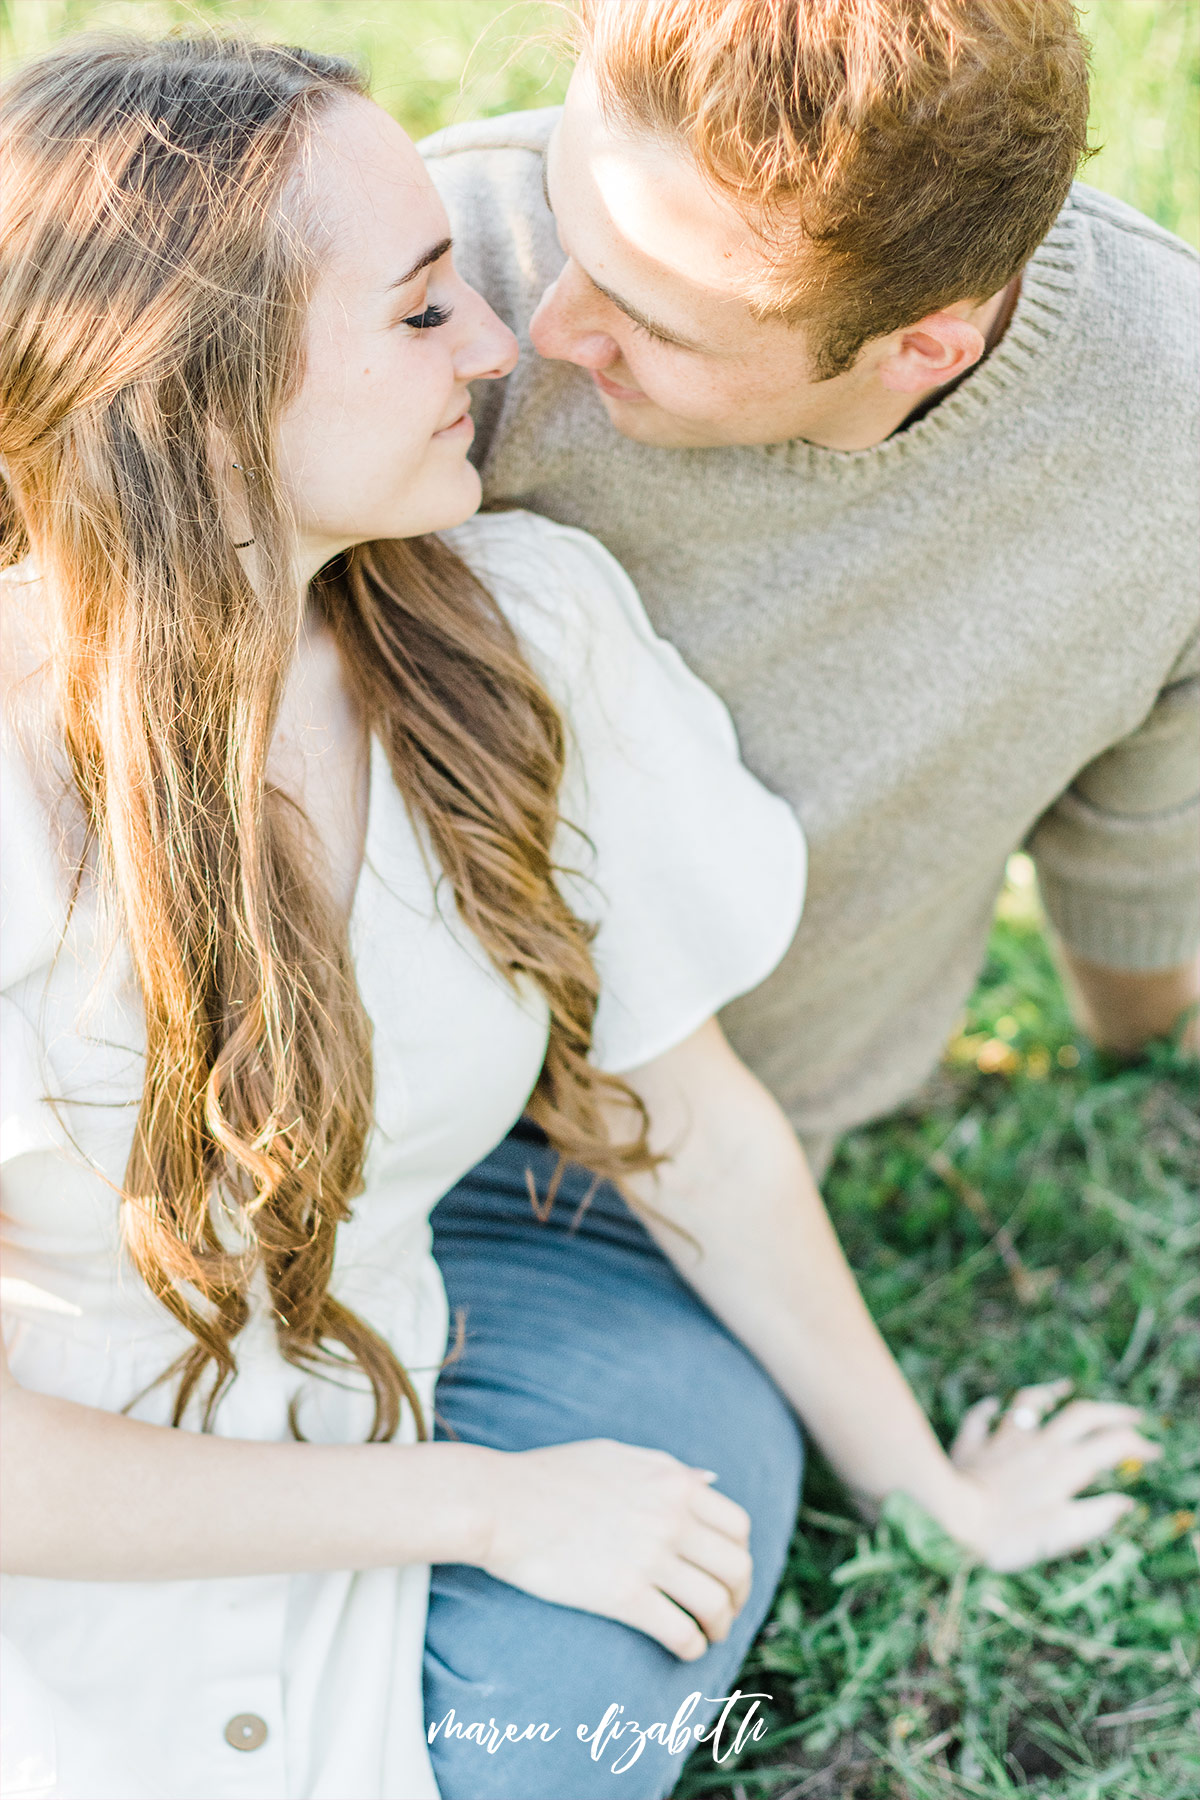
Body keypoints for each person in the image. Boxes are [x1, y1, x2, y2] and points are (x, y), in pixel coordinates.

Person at [0, 32, 1159, 1800]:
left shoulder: (509, 632)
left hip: (415, 1366)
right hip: (69, 1490)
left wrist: (939, 1492)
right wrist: (484, 1501)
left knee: (595, 1670)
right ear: (192, 394)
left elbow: (694, 1123)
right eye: (419, 313)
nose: (507, 345)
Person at [423, 0, 1200, 1182]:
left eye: (651, 321)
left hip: (699, 1170)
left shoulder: (1165, 430)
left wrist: (1149, 1051)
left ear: (924, 349)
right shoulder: (444, 260)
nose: (546, 325)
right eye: (563, 215)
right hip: (371, 1088)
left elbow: (1147, 832)